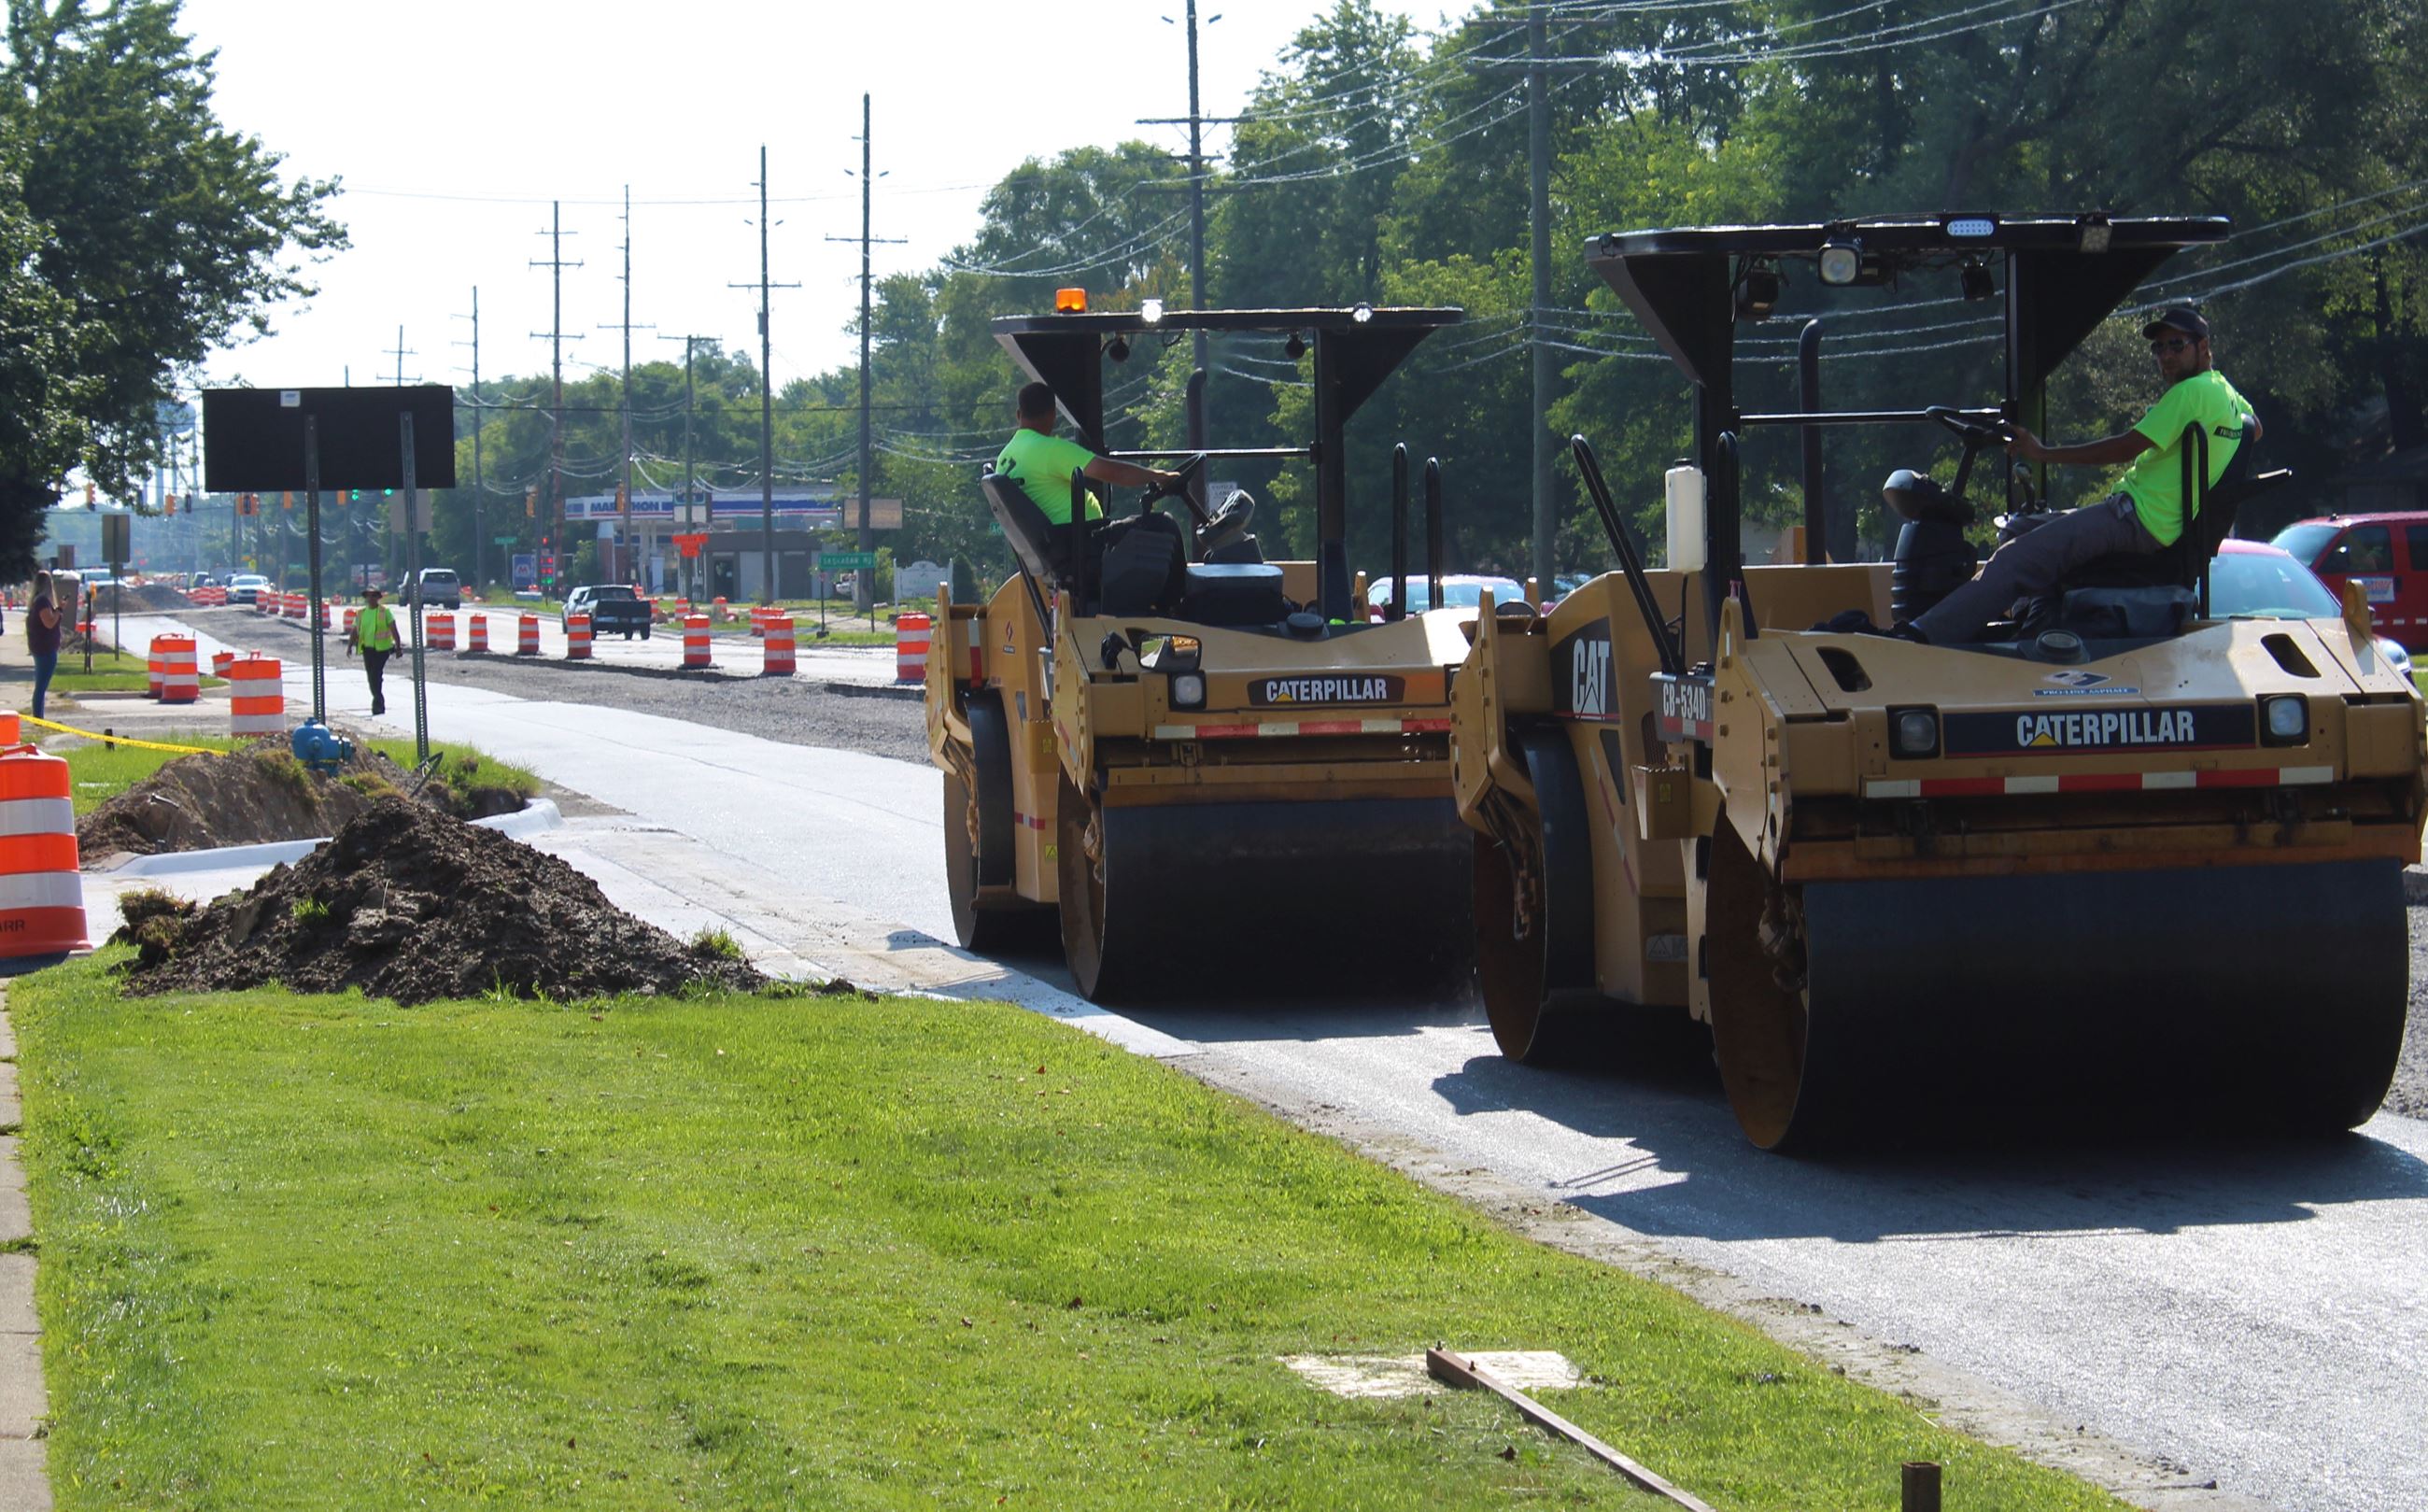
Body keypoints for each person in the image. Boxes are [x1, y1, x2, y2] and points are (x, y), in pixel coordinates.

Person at [1907, 305, 2261, 645]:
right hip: (2146, 517)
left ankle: (1920, 636)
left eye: (2176, 345)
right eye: (2158, 347)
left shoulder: (2191, 392)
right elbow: (2254, 428)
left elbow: (2124, 448)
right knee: (2017, 527)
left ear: (2203, 347)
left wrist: (2043, 453)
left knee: (2013, 558)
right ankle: (2034, 624)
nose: (2165, 356)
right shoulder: (2224, 392)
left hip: (2137, 519)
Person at [994, 381, 1180, 522]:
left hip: (1055, 547)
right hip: (1081, 544)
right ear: (1053, 415)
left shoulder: (1004, 458)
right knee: (1163, 525)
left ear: (1019, 414)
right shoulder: (1052, 451)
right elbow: (1116, 473)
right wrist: (1160, 476)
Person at [348, 585, 399, 716]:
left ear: (378, 597)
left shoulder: (384, 612)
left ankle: (378, 704)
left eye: (374, 595)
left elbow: (393, 629)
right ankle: (378, 699)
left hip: (382, 650)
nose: (371, 598)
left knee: (375, 674)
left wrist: (398, 647)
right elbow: (354, 631)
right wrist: (349, 646)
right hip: (368, 650)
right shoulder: (361, 613)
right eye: (368, 596)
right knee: (372, 677)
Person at [25, 571, 61, 719]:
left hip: (41, 647)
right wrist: (60, 611)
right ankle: (38, 717)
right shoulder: (42, 602)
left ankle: (38, 715)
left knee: (41, 685)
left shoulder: (37, 602)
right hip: (45, 649)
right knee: (41, 686)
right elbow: (49, 623)